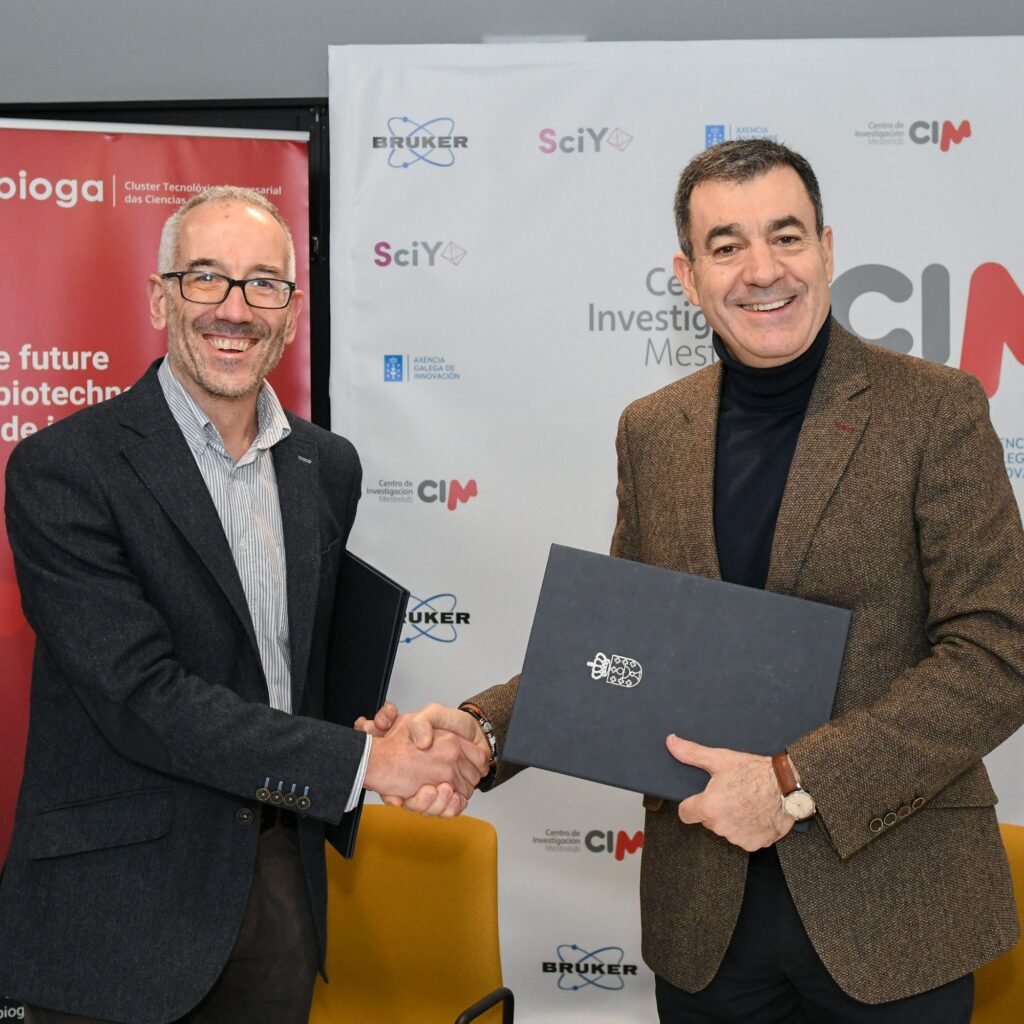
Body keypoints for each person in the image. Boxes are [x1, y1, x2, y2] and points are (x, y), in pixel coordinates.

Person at [365, 140, 1024, 1022]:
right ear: (687, 275)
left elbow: (998, 652)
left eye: (786, 236)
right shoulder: (653, 430)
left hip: (894, 916)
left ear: (827, 249)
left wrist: (792, 780)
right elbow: (622, 649)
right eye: (727, 245)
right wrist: (482, 732)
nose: (763, 270)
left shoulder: (934, 409)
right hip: (706, 923)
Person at [0, 186, 489, 1024]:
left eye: (263, 283)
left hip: (277, 885)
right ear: (160, 298)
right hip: (113, 913)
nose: (234, 309)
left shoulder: (326, 467)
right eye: (206, 277)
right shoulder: (64, 469)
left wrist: (373, 735)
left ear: (291, 315)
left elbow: (297, 674)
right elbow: (141, 698)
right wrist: (367, 764)